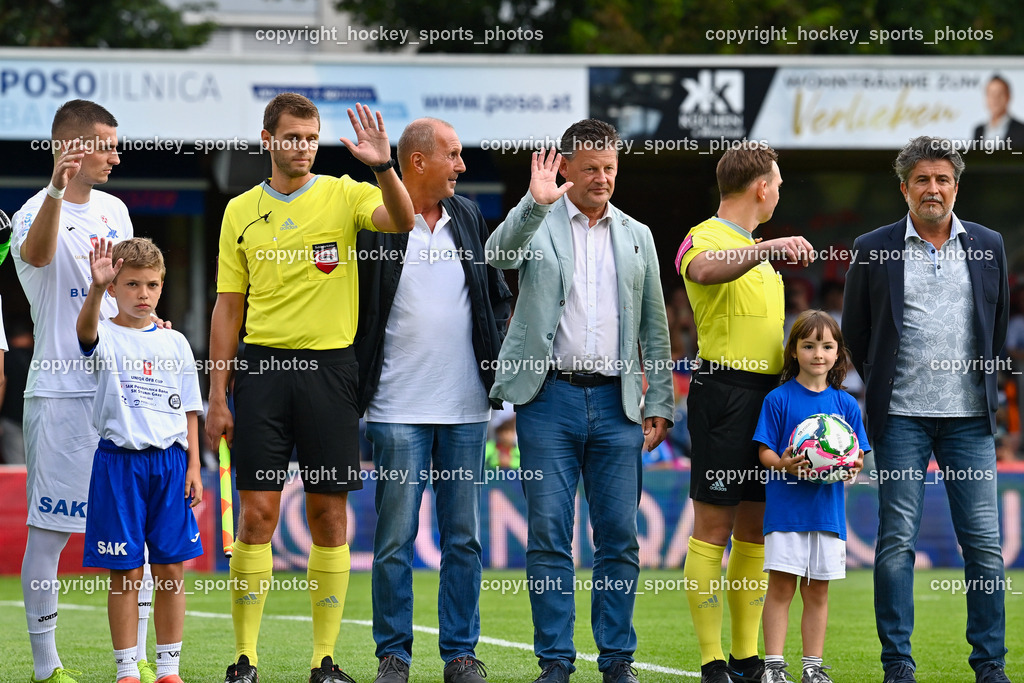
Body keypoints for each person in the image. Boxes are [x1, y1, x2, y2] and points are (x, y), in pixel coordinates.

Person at [207, 93, 414, 683]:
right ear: (268, 139)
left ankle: (324, 660)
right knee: (256, 516)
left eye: (310, 137)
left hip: (330, 371)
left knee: (328, 517)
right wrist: (217, 395)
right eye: (292, 137)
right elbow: (228, 306)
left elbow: (401, 220)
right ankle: (245, 659)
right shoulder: (239, 210)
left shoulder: (346, 193)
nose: (302, 147)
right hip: (263, 372)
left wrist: (383, 164)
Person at [486, 120, 674, 683]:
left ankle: (617, 661)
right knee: (548, 534)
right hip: (547, 398)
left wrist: (661, 400)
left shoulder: (638, 234)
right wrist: (533, 203)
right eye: (591, 168)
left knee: (619, 538)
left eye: (610, 168)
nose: (602, 178)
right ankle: (555, 662)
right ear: (565, 167)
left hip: (619, 404)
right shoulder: (539, 219)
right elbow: (497, 256)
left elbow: (655, 326)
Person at [843, 136, 1011, 683]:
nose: (932, 189)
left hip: (971, 419)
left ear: (956, 187)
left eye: (942, 179)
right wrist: (886, 384)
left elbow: (996, 328)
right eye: (922, 179)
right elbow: (856, 331)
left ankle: (990, 664)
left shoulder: (988, 244)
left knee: (984, 546)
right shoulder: (873, 247)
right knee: (896, 542)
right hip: (900, 420)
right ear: (904, 188)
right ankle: (898, 663)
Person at [353, 117, 511, 683]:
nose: (462, 165)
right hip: (395, 408)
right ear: (418, 161)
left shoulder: (467, 214)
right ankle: (393, 654)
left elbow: (494, 295)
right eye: (454, 154)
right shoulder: (373, 220)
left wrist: (497, 361)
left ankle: (460, 654)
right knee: (394, 539)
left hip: (466, 409)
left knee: (463, 539)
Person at [11, 99, 160, 683]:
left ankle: (136, 660)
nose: (116, 158)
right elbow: (38, 256)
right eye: (106, 146)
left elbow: (127, 292)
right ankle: (46, 665)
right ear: (70, 147)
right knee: (50, 533)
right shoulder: (32, 212)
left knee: (136, 535)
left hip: (116, 392)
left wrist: (150, 325)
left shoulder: (116, 211)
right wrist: (56, 188)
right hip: (58, 395)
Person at [675, 146, 814, 683]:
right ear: (761, 187)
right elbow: (705, 271)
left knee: (755, 532)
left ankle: (745, 657)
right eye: (777, 183)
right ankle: (712, 661)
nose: (778, 193)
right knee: (713, 527)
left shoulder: (759, 255)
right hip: (724, 392)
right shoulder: (704, 236)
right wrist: (767, 248)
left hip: (769, 398)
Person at [77, 237, 203, 683]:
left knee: (170, 569)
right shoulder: (103, 332)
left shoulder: (175, 342)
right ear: (114, 287)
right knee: (126, 572)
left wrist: (194, 466)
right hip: (119, 466)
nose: (143, 294)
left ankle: (169, 668)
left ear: (162, 286)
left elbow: (190, 409)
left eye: (151, 285)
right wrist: (95, 289)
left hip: (170, 465)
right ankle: (127, 669)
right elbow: (85, 334)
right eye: (131, 284)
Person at [752, 310, 867, 683]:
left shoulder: (846, 405)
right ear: (793, 351)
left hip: (827, 515)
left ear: (838, 353)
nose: (818, 354)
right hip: (786, 514)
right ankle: (773, 667)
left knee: (817, 591)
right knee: (782, 588)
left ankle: (812, 668)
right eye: (809, 345)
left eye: (827, 346)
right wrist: (783, 464)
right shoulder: (778, 399)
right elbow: (764, 452)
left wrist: (852, 467)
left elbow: (858, 456)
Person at [973, 75, 1024, 146]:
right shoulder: (979, 131)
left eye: (1000, 94)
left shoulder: (1021, 131)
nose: (995, 98)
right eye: (991, 94)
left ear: (1008, 97)